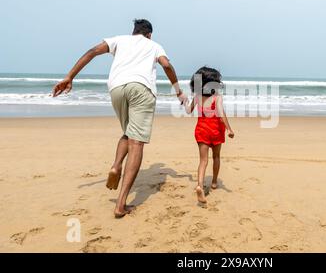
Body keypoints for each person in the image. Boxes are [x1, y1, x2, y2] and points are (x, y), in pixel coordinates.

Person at [52, 19, 187, 218]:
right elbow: (166, 65)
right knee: (137, 143)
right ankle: (121, 204)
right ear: (149, 34)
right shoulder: (154, 45)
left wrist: (70, 77)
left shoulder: (119, 40)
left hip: (116, 88)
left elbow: (92, 52)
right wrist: (178, 91)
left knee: (129, 132)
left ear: (133, 32)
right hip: (141, 89)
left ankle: (116, 165)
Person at [184, 66, 234, 203]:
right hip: (216, 131)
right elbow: (221, 113)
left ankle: (200, 185)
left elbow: (188, 110)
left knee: (203, 160)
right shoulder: (217, 97)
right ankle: (213, 182)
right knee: (216, 157)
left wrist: (184, 101)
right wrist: (229, 129)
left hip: (201, 130)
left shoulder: (198, 97)